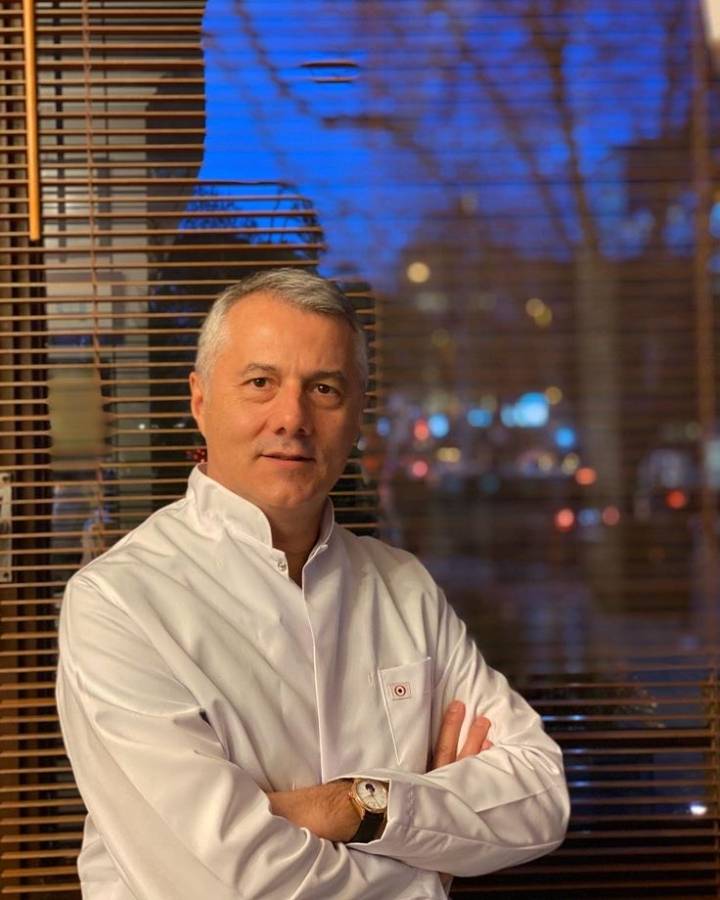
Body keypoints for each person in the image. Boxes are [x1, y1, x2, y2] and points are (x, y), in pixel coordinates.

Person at [56, 268, 570, 899]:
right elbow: (222, 886)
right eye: (260, 383)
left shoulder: (403, 586)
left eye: (324, 388)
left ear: (356, 416)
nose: (292, 417)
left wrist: (354, 805)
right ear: (199, 401)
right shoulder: (118, 603)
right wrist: (429, 862)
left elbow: (539, 797)